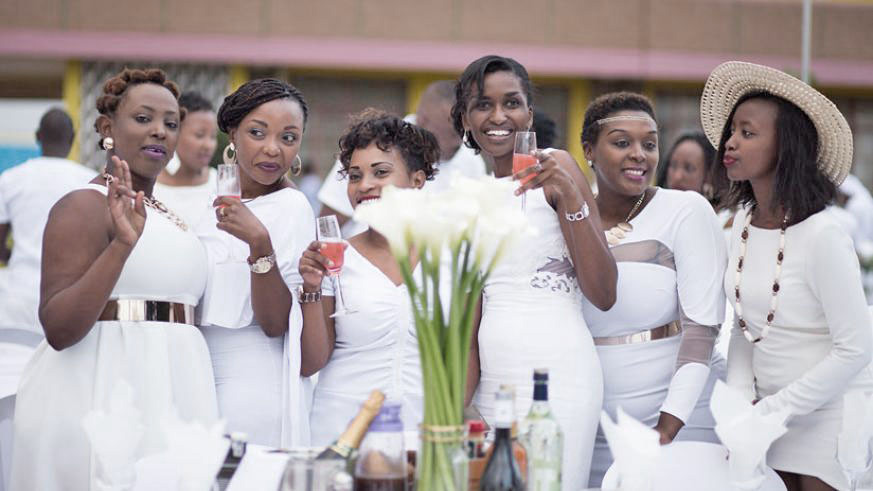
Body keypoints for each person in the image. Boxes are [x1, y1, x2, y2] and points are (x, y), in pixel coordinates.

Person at [10, 68, 218, 490]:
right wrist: (122, 246)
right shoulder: (82, 205)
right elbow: (59, 328)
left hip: (174, 396)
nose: (159, 131)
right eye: (143, 119)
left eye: (170, 123)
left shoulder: (171, 216)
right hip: (100, 406)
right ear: (107, 129)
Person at [702, 61, 873, 490]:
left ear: (786, 147)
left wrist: (770, 411)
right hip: (765, 420)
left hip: (828, 415)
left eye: (748, 133)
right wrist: (741, 408)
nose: (730, 142)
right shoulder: (741, 223)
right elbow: (745, 327)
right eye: (732, 131)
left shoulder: (823, 235)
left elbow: (855, 348)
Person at [455, 55, 617, 490]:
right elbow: (469, 326)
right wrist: (452, 410)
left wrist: (570, 197)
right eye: (483, 105)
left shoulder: (557, 167)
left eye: (511, 103)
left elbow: (604, 292)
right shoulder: (470, 199)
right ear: (466, 119)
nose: (498, 116)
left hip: (560, 375)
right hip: (494, 385)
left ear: (529, 112)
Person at [578, 93, 727, 487]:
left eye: (649, 143)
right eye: (621, 142)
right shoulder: (568, 219)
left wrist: (665, 429)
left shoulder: (685, 210)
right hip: (587, 428)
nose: (639, 155)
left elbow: (701, 333)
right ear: (589, 150)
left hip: (678, 426)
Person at [298, 109, 440, 445]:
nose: (364, 186)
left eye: (381, 172)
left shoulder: (449, 258)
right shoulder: (336, 258)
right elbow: (310, 363)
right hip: (341, 431)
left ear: (417, 180)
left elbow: (467, 355)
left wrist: (449, 421)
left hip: (423, 433)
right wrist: (311, 289)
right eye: (354, 175)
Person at [196, 78, 315, 447]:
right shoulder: (208, 201)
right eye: (257, 133)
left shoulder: (292, 207)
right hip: (195, 373)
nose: (273, 149)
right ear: (233, 133)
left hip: (253, 383)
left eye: (288, 137)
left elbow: (276, 323)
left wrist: (259, 244)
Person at [316, 80, 487, 235]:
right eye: (451, 133)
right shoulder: (368, 146)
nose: (458, 143)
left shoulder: (471, 161)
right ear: (423, 121)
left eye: (464, 133)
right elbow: (329, 223)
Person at [0, 108, 96, 336]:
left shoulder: (11, 179)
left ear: (37, 136)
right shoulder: (89, 181)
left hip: (19, 295)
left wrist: (18, 257)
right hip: (70, 298)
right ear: (72, 138)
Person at [153, 91, 218, 225]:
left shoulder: (220, 185)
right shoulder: (149, 187)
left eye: (213, 136)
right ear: (173, 133)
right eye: (199, 135)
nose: (208, 145)